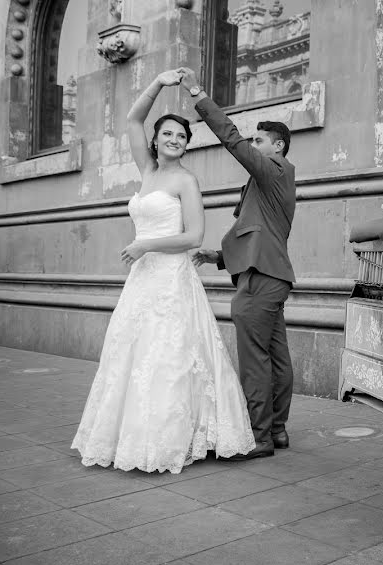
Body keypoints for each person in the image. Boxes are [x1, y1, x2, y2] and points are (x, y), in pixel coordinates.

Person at [71, 71, 257, 474]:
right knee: (133, 354)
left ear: (187, 145)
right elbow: (133, 120)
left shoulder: (185, 181)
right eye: (168, 134)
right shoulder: (147, 170)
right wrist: (157, 82)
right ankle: (131, 435)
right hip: (143, 280)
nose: (174, 140)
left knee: (170, 355)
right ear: (156, 140)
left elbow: (193, 236)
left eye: (182, 137)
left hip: (171, 276)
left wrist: (146, 245)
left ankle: (175, 437)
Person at [178, 67, 297, 461]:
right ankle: (276, 431)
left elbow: (230, 138)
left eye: (259, 140)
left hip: (260, 281)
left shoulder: (274, 170)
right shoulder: (270, 183)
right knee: (276, 357)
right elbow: (254, 232)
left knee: (254, 361)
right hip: (269, 276)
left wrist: (198, 93)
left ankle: (259, 437)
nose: (252, 144)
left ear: (277, 147)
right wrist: (217, 256)